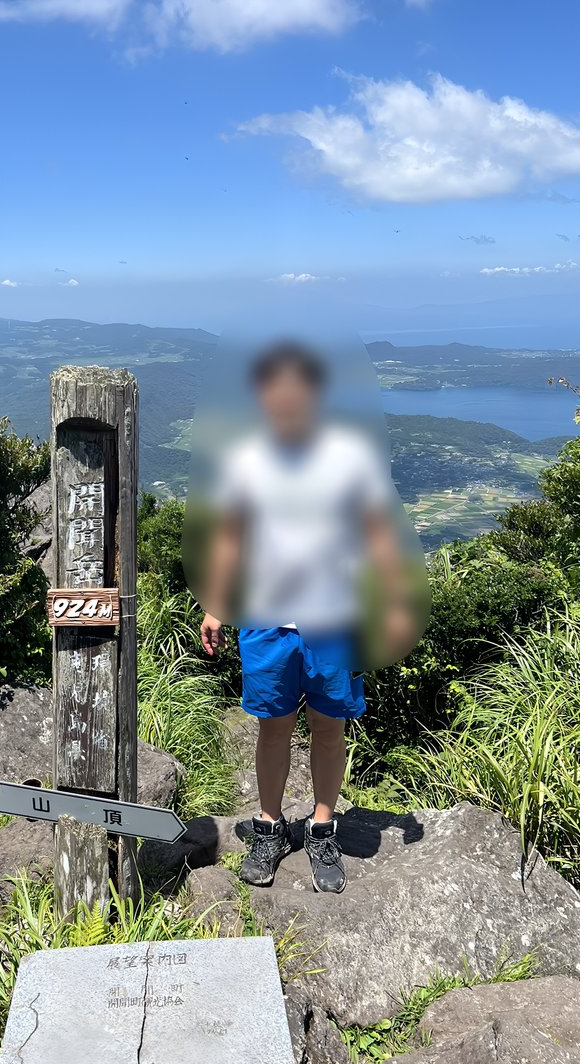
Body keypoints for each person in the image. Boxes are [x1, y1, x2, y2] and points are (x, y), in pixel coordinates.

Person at [199, 341, 414, 890]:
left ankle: (321, 828)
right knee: (273, 728)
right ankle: (269, 827)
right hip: (266, 618)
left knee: (329, 727)